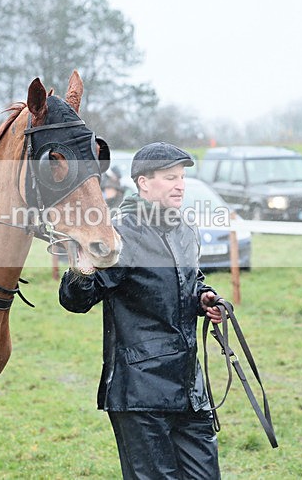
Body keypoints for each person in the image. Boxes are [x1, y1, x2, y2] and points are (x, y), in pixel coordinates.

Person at [58, 142, 225, 479]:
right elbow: (75, 299)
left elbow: (189, 282)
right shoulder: (121, 233)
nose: (179, 184)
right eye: (169, 177)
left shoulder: (186, 230)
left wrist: (203, 297)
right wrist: (83, 266)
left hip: (189, 389)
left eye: (181, 177)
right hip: (140, 393)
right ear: (143, 183)